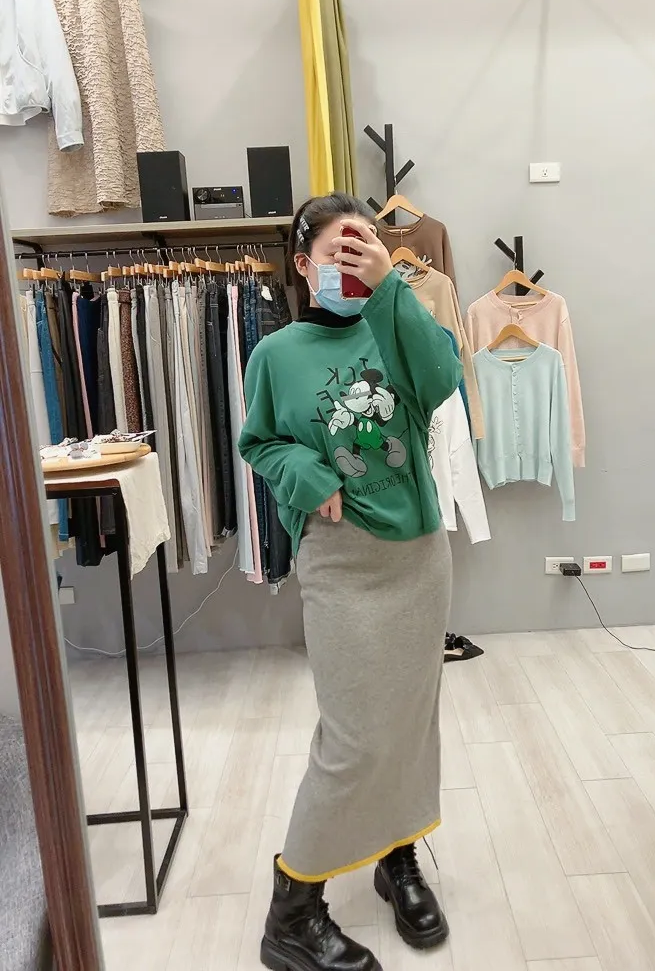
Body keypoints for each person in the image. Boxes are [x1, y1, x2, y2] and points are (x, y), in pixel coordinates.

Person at [238, 192, 463, 971]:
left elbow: (444, 378)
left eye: (365, 246)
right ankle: (293, 911)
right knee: (354, 738)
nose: (353, 261)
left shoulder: (396, 320)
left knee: (408, 720)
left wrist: (392, 285)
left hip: (418, 557)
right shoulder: (275, 353)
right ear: (302, 265)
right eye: (337, 250)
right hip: (339, 559)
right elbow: (259, 442)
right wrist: (305, 472)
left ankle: (396, 856)